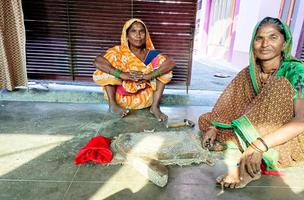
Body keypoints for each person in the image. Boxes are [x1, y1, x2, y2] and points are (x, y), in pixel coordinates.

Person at [199, 17, 304, 189]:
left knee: (277, 86)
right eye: (259, 38)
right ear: (253, 43)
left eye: (273, 37)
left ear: (285, 44)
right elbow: (229, 104)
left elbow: (301, 119)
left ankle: (249, 166)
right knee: (207, 120)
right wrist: (214, 127)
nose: (265, 44)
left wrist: (258, 146)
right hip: (256, 125)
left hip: (288, 134)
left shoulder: (296, 71)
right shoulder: (250, 72)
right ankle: (244, 142)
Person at [93, 18, 176, 121]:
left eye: (142, 31)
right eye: (133, 31)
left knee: (165, 71)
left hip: (145, 98)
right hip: (121, 98)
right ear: (126, 35)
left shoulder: (151, 54)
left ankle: (154, 107)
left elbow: (171, 62)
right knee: (105, 67)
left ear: (146, 35)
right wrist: (121, 74)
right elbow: (97, 61)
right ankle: (113, 105)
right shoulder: (119, 51)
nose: (138, 35)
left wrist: (149, 75)